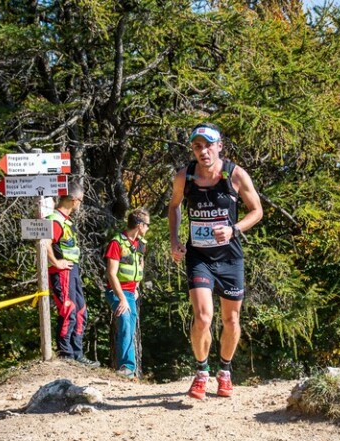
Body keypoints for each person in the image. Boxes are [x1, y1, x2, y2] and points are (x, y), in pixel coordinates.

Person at [168, 123, 263, 399]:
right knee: (202, 317)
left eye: (208, 145)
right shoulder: (184, 176)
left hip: (230, 257)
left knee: (231, 320)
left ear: (219, 146)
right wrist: (175, 240)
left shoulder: (235, 175)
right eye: (197, 146)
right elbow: (174, 206)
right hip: (199, 257)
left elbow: (257, 211)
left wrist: (234, 229)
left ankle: (225, 372)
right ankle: (201, 372)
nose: (203, 151)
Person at [45, 187, 100, 367]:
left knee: (81, 310)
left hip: (72, 270)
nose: (80, 205)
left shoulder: (65, 221)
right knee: (68, 309)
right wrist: (56, 262)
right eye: (80, 201)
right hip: (62, 272)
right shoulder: (55, 220)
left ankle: (77, 353)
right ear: (73, 200)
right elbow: (45, 243)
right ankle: (65, 353)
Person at [104, 208, 149, 379]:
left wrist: (136, 287)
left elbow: (140, 266)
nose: (148, 228)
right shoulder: (117, 243)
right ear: (139, 225)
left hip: (131, 293)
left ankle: (129, 370)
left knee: (129, 326)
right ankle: (127, 367)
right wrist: (122, 298)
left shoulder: (141, 244)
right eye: (147, 225)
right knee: (125, 322)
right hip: (117, 291)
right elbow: (111, 273)